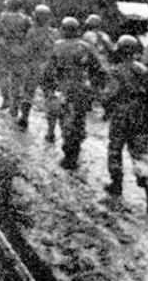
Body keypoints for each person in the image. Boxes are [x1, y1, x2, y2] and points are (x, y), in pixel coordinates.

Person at [103, 35, 148, 214]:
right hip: (140, 113)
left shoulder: (116, 71)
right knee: (140, 152)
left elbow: (111, 93)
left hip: (121, 112)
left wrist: (106, 106)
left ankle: (116, 184)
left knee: (115, 148)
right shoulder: (145, 71)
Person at [44, 17, 105, 170]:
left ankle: (68, 155)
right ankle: (74, 152)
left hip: (63, 88)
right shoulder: (86, 47)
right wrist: (95, 89)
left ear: (63, 30)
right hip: (82, 89)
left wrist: (48, 89)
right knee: (78, 120)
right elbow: (99, 70)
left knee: (65, 121)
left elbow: (48, 71)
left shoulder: (57, 46)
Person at [18, 4, 59, 134]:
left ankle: (24, 118)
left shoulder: (31, 32)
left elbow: (26, 51)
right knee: (50, 98)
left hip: (34, 67)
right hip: (49, 69)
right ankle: (51, 131)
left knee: (28, 94)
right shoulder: (55, 33)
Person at [0, 0, 32, 118]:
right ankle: (14, 104)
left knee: (1, 74)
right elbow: (29, 35)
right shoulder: (26, 19)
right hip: (20, 50)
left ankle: (6, 99)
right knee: (17, 78)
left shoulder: (3, 17)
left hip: (6, 50)